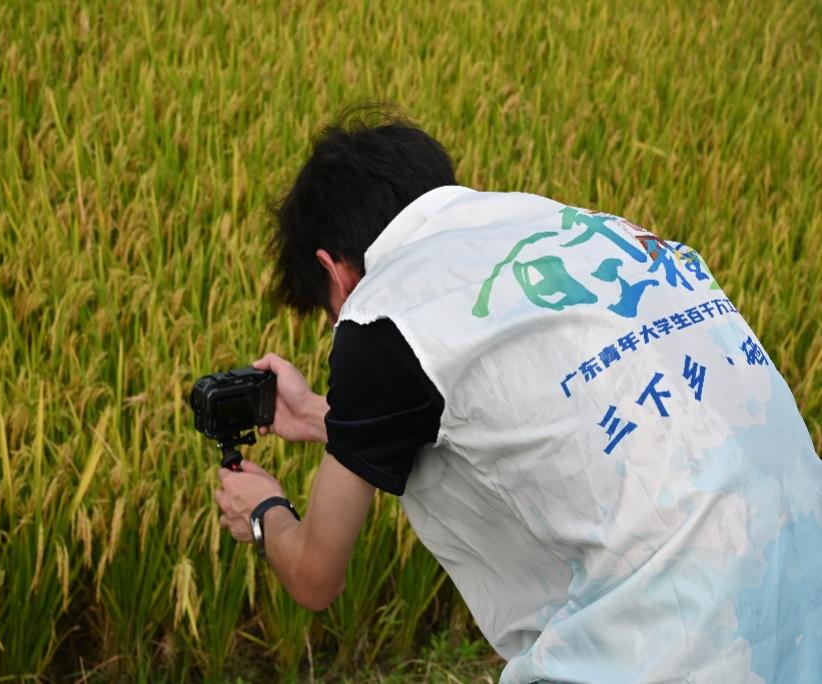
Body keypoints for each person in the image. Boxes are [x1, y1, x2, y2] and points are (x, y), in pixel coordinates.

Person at [214, 106, 822, 683]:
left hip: (671, 645)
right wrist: (320, 415)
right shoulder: (586, 227)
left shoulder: (384, 309)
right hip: (802, 593)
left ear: (334, 270)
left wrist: (264, 511)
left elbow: (316, 576)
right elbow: (544, 406)